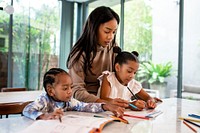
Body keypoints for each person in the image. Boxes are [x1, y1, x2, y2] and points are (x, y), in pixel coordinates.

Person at [67, 6, 128, 108]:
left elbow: (121, 77)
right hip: (87, 105)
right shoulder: (79, 54)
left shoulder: (113, 47)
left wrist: (143, 99)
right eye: (107, 31)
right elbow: (75, 90)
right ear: (94, 28)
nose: (110, 37)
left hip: (109, 100)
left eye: (114, 32)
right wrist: (103, 103)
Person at [22, 68, 125, 120]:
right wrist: (44, 116)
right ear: (50, 90)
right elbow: (27, 109)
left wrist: (105, 106)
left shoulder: (69, 101)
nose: (70, 91)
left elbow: (85, 106)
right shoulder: (44, 100)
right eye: (65, 88)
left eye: (71, 87)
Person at [97, 46, 162, 111]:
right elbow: (104, 99)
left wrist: (151, 101)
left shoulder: (133, 83)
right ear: (117, 67)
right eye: (129, 71)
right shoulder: (109, 78)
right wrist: (130, 104)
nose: (132, 76)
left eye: (135, 73)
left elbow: (148, 97)